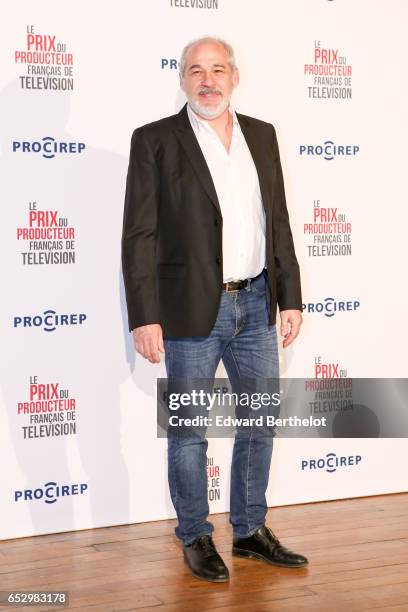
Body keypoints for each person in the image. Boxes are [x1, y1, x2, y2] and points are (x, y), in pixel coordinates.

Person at [121, 36, 307, 583]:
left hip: (256, 300)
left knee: (259, 423)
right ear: (181, 79)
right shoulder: (155, 140)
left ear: (234, 76)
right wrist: (143, 313)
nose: (208, 80)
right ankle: (196, 536)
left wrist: (289, 295)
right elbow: (139, 235)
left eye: (218, 69)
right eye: (196, 70)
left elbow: (278, 220)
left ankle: (249, 530)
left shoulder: (264, 136)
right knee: (190, 431)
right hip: (187, 310)